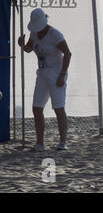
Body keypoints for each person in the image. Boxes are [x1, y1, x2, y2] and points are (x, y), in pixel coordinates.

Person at [18, 8, 72, 151]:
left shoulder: (55, 34)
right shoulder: (34, 33)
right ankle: (40, 143)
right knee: (36, 107)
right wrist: (22, 45)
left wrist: (62, 74)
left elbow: (67, 53)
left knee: (58, 107)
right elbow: (29, 48)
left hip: (56, 73)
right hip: (42, 73)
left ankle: (62, 142)